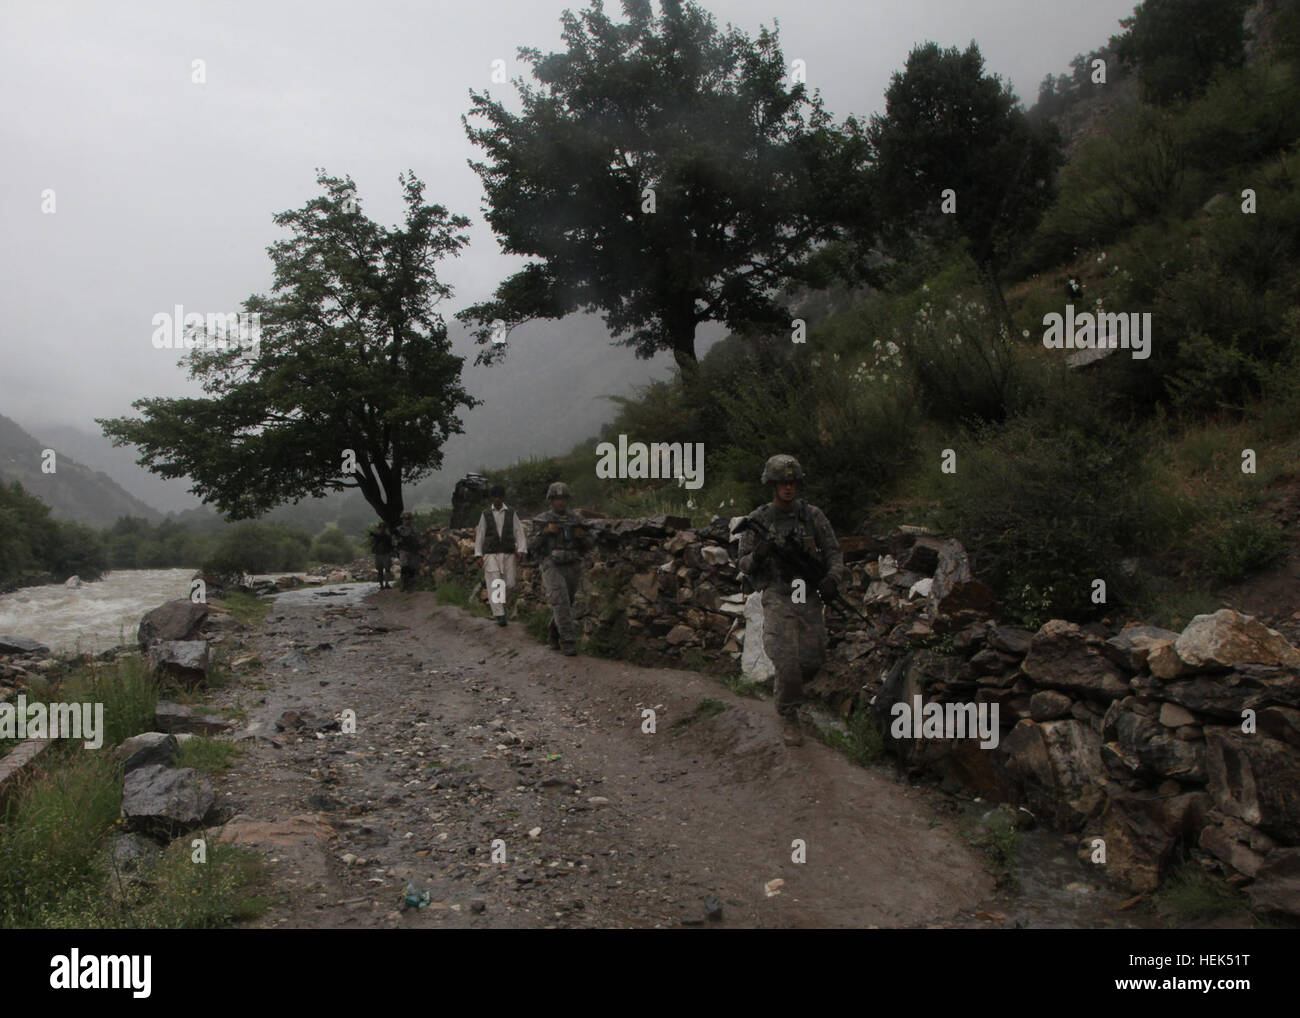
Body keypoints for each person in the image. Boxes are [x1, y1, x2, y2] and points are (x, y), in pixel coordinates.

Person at [736, 454, 845, 747]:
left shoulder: (812, 516)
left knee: (812, 661)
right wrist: (758, 555)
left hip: (808, 596)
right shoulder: (759, 519)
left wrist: (832, 579)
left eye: (793, 483)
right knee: (786, 661)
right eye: (782, 483)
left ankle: (788, 690)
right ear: (772, 485)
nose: (788, 488)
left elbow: (834, 552)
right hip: (778, 596)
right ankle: (789, 714)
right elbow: (742, 563)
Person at [528, 481, 591, 656]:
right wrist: (545, 532)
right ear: (551, 500)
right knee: (560, 600)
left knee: (567, 602)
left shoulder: (577, 520)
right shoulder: (542, 520)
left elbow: (590, 544)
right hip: (551, 564)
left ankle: (554, 633)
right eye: (557, 499)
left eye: (563, 498)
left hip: (572, 564)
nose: (561, 502)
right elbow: (531, 545)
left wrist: (582, 537)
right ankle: (568, 641)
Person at [475, 484, 527, 626]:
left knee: (510, 583)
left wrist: (521, 549)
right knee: (494, 582)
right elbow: (480, 534)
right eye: (495, 497)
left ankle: (502, 607)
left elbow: (518, 531)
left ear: (503, 498)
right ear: (492, 498)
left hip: (508, 552)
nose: (497, 499)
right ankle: (500, 615)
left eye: (499, 497)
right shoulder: (486, 514)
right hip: (491, 553)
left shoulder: (511, 513)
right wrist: (478, 554)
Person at [395, 512, 421, 592]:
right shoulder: (399, 529)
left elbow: (418, 539)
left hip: (412, 550)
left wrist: (415, 543)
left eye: (408, 519)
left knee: (412, 568)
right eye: (405, 519)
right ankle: (404, 584)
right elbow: (394, 540)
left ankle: (410, 585)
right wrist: (398, 542)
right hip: (403, 550)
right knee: (404, 567)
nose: (407, 520)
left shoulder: (414, 529)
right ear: (402, 520)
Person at [369, 521, 395, 589]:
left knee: (387, 570)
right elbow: (373, 544)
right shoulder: (376, 537)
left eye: (383, 528)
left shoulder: (387, 536)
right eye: (381, 528)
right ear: (379, 528)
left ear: (385, 529)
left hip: (386, 554)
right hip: (378, 554)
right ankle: (381, 585)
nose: (382, 529)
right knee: (380, 570)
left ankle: (386, 584)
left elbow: (390, 544)